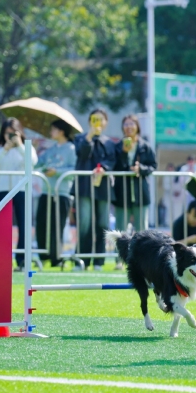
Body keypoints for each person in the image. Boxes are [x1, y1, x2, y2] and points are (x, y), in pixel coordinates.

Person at [0, 118, 38, 271]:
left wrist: (20, 145)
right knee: (4, 227)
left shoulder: (26, 148)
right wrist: (5, 149)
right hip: (4, 190)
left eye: (13, 133)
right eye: (7, 133)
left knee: (24, 225)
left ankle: (22, 260)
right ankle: (4, 260)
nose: (9, 136)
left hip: (23, 190)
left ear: (20, 133)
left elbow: (33, 161)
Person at [73, 109, 116, 271]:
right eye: (94, 119)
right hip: (84, 186)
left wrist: (104, 168)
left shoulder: (109, 143)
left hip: (103, 188)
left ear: (106, 122)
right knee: (84, 223)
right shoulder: (80, 138)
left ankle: (99, 260)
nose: (98, 122)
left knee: (103, 224)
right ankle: (81, 260)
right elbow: (82, 154)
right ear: (89, 121)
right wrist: (89, 135)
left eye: (101, 119)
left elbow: (111, 160)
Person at [35, 119, 77, 267]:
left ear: (61, 131)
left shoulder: (71, 148)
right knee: (41, 224)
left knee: (57, 226)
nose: (50, 132)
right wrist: (34, 150)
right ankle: (43, 256)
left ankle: (56, 258)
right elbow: (37, 164)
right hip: (46, 192)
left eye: (53, 129)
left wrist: (57, 172)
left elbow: (74, 170)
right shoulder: (50, 149)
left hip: (62, 193)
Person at [113, 114, 157, 232]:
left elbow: (153, 166)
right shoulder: (117, 146)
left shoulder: (145, 146)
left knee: (142, 231)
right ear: (122, 127)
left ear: (137, 126)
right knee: (120, 231)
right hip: (122, 194)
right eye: (126, 124)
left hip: (141, 193)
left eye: (132, 123)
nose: (129, 127)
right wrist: (124, 152)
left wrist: (140, 169)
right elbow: (115, 167)